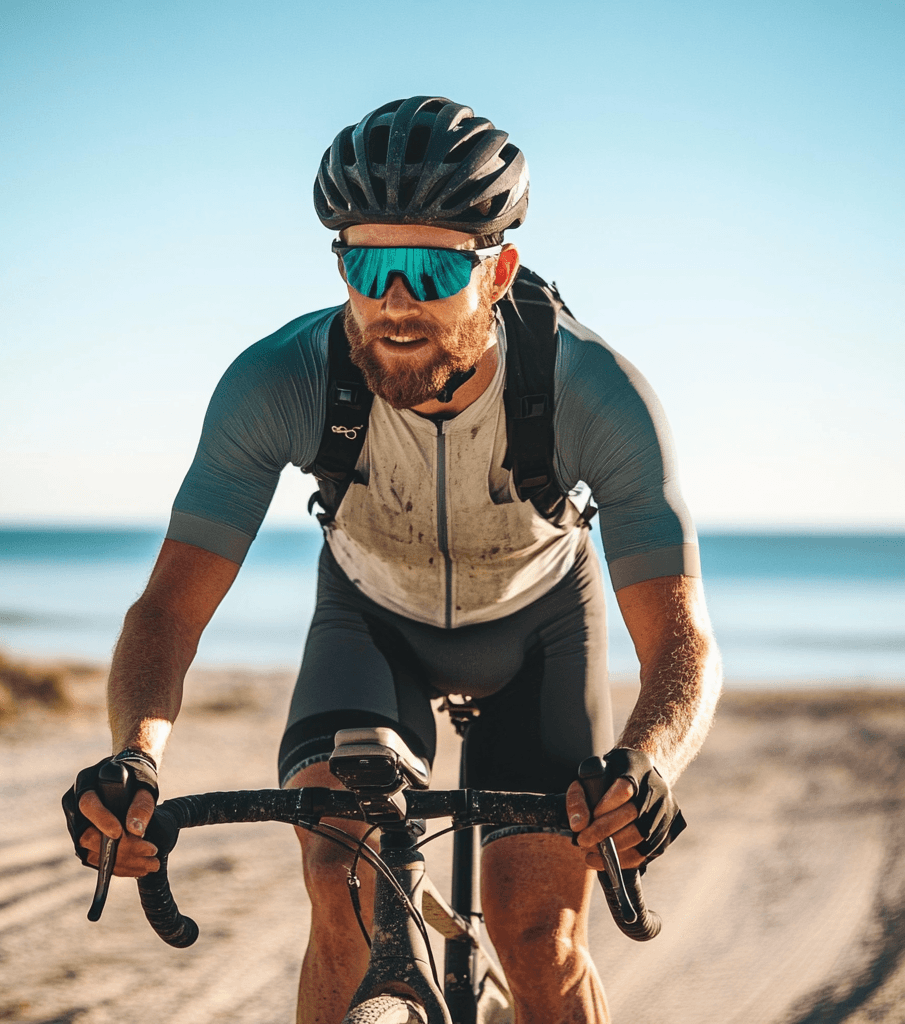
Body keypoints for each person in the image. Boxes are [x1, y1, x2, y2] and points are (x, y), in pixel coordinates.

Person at [63, 96, 722, 1023]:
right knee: (342, 887)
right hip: (369, 627)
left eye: (430, 267)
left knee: (541, 938)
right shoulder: (282, 381)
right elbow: (170, 609)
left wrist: (649, 763)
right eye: (369, 264)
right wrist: (133, 758)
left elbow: (683, 635)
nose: (395, 301)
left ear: (498, 272)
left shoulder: (595, 393)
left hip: (542, 635)